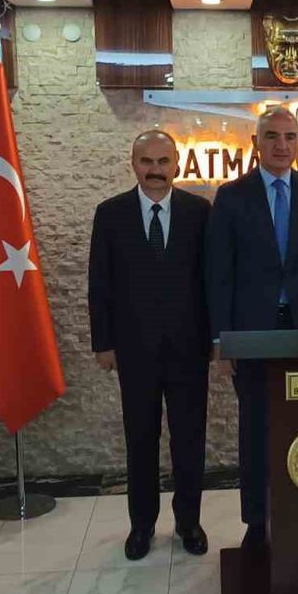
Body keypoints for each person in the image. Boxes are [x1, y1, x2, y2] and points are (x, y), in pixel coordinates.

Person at [205, 105, 298, 549]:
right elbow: (219, 273)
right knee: (256, 428)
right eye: (272, 136)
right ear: (256, 143)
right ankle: (256, 520)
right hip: (252, 333)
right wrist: (220, 340)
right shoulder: (232, 196)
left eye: (289, 136)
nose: (281, 145)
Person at [88, 130, 212, 560]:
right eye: (147, 161)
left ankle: (188, 522)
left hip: (189, 350)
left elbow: (211, 281)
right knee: (140, 440)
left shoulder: (200, 211)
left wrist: (217, 339)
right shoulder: (110, 213)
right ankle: (141, 526)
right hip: (133, 350)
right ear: (133, 163)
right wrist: (103, 343)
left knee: (189, 441)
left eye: (163, 161)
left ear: (177, 164)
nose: (155, 170)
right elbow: (99, 282)